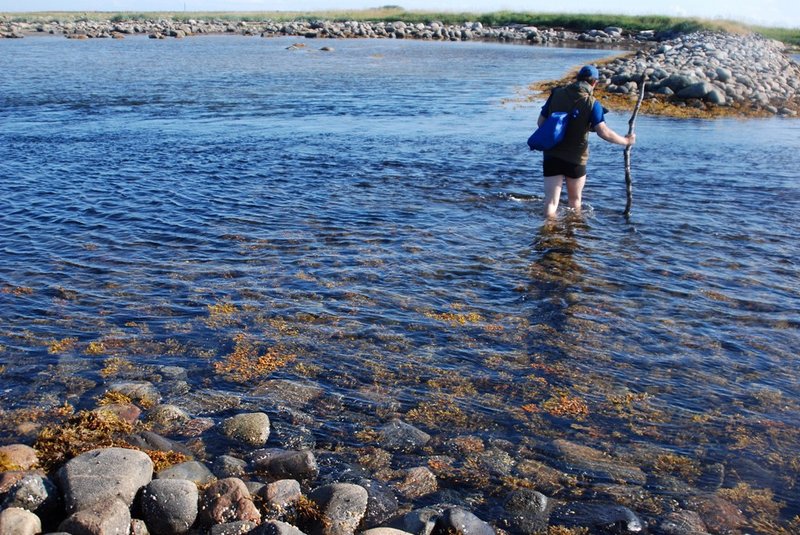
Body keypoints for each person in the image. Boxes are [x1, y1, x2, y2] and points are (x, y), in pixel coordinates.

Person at [538, 65, 635, 218]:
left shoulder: (556, 94)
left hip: (552, 155)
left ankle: (547, 234)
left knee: (550, 202)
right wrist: (625, 141)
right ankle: (572, 238)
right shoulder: (592, 103)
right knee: (575, 201)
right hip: (576, 158)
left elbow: (541, 123)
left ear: (577, 78)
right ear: (594, 83)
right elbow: (604, 132)